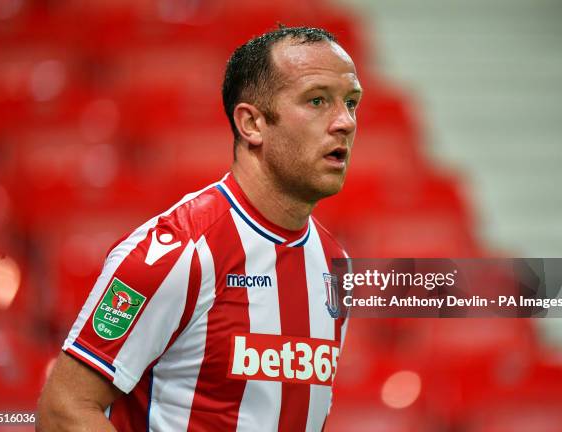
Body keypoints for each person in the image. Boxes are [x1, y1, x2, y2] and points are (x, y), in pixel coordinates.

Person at [37, 25, 362, 432]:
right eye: (317, 101)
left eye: (351, 103)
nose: (345, 122)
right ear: (252, 124)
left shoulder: (336, 265)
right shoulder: (178, 252)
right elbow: (64, 411)